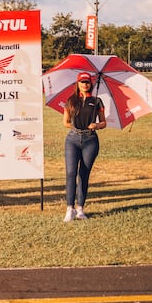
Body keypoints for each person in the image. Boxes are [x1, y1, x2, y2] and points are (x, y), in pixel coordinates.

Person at [63, 71, 106, 222]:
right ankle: (70, 209)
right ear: (78, 84)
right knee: (70, 173)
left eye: (87, 82)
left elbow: (103, 122)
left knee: (84, 174)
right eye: (82, 82)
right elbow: (65, 122)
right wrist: (74, 125)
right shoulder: (71, 101)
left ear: (91, 84)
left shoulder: (97, 101)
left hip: (90, 140)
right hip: (73, 138)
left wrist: (97, 125)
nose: (85, 84)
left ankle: (80, 209)